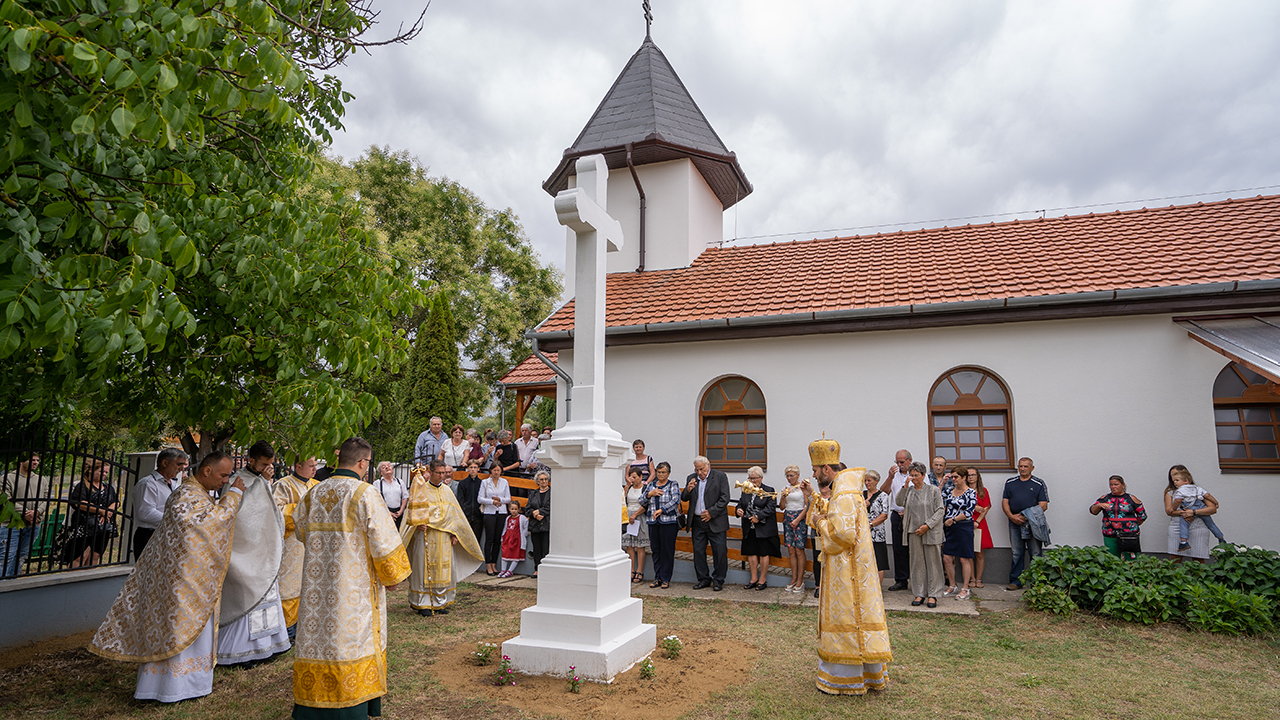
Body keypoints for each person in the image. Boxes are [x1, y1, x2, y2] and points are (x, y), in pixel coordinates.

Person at [88, 452, 245, 703]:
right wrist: (234, 495)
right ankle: (170, 688)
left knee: (187, 630)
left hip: (192, 578)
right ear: (206, 471)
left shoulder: (195, 494)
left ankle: (191, 685)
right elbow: (213, 523)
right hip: (181, 582)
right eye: (223, 475)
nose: (226, 481)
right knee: (175, 630)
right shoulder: (186, 495)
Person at [291, 437, 410, 719]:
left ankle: (311, 709)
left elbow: (299, 530)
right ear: (362, 463)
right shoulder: (365, 493)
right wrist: (392, 576)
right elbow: (383, 541)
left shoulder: (314, 492)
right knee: (352, 641)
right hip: (353, 588)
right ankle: (352, 709)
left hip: (317, 590)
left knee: (318, 641)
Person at [806, 437, 892, 695]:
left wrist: (820, 522)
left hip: (846, 570)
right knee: (858, 617)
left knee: (847, 617)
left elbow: (841, 537)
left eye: (815, 469)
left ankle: (845, 679)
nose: (813, 474)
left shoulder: (843, 494)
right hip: (855, 567)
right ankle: (867, 675)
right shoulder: (850, 491)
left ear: (827, 469)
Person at [216, 440, 290, 666]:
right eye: (265, 464)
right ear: (251, 461)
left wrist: (266, 481)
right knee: (248, 597)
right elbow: (236, 515)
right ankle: (242, 652)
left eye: (271, 464)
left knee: (267, 594)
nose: (269, 467)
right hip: (246, 551)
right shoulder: (239, 481)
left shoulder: (261, 479)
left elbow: (269, 510)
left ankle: (268, 645)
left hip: (264, 551)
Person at [401, 460, 484, 615]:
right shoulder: (421, 489)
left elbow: (454, 515)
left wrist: (455, 533)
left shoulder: (447, 490)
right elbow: (410, 513)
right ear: (430, 472)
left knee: (444, 568)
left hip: (444, 537)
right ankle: (422, 603)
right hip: (425, 535)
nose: (441, 476)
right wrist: (417, 524)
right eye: (438, 473)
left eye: (443, 473)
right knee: (423, 568)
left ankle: (440, 601)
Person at [272, 456, 319, 637]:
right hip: (292, 545)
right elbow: (275, 512)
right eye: (311, 466)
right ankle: (288, 630)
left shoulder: (317, 484)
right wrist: (304, 508)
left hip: (313, 544)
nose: (315, 469)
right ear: (297, 466)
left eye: (315, 465)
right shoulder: (283, 485)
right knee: (289, 584)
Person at [896, 461, 944, 608]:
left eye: (916, 475)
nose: (913, 478)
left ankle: (933, 594)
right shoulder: (909, 491)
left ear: (923, 475)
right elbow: (898, 501)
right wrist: (905, 486)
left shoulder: (933, 490)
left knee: (933, 563)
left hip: (930, 531)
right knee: (917, 563)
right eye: (911, 475)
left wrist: (927, 525)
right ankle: (919, 593)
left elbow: (940, 510)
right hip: (913, 531)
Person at [682, 456, 730, 591]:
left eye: (701, 469)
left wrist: (711, 512)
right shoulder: (691, 478)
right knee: (698, 552)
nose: (699, 472)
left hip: (715, 521)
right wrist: (688, 490)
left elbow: (725, 497)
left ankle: (718, 580)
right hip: (697, 522)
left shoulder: (720, 476)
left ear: (708, 465)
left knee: (719, 551)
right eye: (697, 470)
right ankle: (703, 579)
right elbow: (684, 498)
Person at [131, 448, 188, 561]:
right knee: (148, 574)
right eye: (179, 464)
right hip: (150, 535)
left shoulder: (174, 484)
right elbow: (146, 512)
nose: (182, 469)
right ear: (165, 463)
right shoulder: (148, 484)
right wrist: (176, 520)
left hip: (167, 534)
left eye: (184, 465)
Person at [1002, 457, 1049, 590]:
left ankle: (1036, 582)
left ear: (1032, 468)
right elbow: (1005, 501)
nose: (1022, 469)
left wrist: (1025, 516)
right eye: (1020, 466)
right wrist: (1011, 516)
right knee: (1017, 552)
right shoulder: (1010, 482)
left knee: (1035, 552)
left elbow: (1043, 505)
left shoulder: (1038, 483)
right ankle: (1015, 581)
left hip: (1033, 523)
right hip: (1014, 522)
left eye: (1026, 466)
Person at [64, 459, 119, 568]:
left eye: (106, 472)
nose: (104, 474)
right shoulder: (82, 486)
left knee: (95, 556)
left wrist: (108, 511)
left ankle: (88, 580)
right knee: (80, 556)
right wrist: (101, 510)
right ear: (91, 471)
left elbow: (116, 502)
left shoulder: (108, 488)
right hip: (85, 526)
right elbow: (79, 503)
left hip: (103, 527)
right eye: (101, 471)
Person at [736, 466, 780, 590]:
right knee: (751, 552)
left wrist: (758, 517)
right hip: (749, 527)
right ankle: (753, 578)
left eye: (754, 478)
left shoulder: (769, 490)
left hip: (763, 528)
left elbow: (771, 507)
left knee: (764, 553)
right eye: (750, 478)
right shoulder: (746, 490)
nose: (752, 480)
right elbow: (741, 503)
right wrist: (738, 510)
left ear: (761, 478)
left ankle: (762, 580)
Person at [1164, 465, 1218, 563]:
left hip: (1197, 526)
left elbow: (1212, 509)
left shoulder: (1197, 490)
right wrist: (1184, 513)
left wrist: (1193, 512)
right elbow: (1169, 511)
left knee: (1198, 559)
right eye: (1172, 477)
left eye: (1177, 476)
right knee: (1175, 559)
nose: (1174, 480)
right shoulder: (1170, 493)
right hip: (1177, 527)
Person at [1, 452, 43, 577]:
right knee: (6, 557)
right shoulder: (7, 478)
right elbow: (5, 500)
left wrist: (37, 512)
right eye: (32, 459)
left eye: (37, 460)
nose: (35, 462)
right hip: (10, 524)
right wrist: (25, 512)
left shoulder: (41, 479)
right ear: (21, 461)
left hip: (33, 524)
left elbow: (45, 500)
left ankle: (13, 584)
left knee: (21, 556)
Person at [877, 449, 913, 591]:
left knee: (915, 548)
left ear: (909, 460)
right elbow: (883, 492)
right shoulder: (895, 476)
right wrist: (890, 477)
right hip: (897, 515)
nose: (899, 464)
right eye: (897, 462)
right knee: (898, 548)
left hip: (913, 516)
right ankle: (901, 580)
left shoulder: (918, 473)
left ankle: (917, 580)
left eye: (902, 462)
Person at [642, 461, 680, 589]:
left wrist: (662, 510)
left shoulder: (672, 484)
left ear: (668, 473)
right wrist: (649, 494)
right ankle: (657, 577)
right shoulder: (651, 485)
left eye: (663, 472)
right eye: (658, 472)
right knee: (656, 550)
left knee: (667, 551)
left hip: (668, 522)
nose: (661, 474)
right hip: (653, 523)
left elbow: (675, 500)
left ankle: (665, 578)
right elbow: (641, 500)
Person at [1090, 475, 1147, 559]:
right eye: (1111, 485)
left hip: (1128, 535)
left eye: (1116, 484)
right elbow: (1093, 511)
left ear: (1123, 485)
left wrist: (1132, 525)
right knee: (1112, 560)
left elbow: (1142, 516)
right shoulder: (1105, 498)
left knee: (1131, 560)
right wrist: (1099, 505)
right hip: (1110, 535)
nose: (1113, 487)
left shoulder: (1131, 498)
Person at [940, 465, 976, 600]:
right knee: (947, 558)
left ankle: (965, 588)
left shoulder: (970, 492)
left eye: (956, 477)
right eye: (952, 477)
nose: (954, 479)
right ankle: (952, 585)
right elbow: (938, 497)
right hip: (949, 527)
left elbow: (969, 512)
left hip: (963, 526)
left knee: (964, 558)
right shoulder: (949, 489)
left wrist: (953, 519)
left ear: (964, 477)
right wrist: (943, 482)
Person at [1170, 469, 1225, 549]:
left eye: (1177, 480)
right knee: (1211, 524)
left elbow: (1177, 501)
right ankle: (1221, 538)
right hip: (1201, 508)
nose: (1175, 482)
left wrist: (1173, 509)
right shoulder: (1197, 488)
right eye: (1174, 481)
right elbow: (1207, 495)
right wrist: (1215, 502)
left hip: (1189, 508)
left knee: (1184, 523)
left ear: (1186, 481)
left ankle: (1184, 541)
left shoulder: (1180, 490)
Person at [779, 464, 812, 592]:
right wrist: (782, 496)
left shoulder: (802, 487)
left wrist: (798, 519)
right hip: (788, 516)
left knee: (799, 549)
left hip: (800, 517)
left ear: (798, 475)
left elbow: (807, 505)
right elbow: (782, 507)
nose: (789, 478)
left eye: (791, 475)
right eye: (787, 476)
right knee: (791, 549)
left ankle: (800, 579)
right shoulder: (786, 488)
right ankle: (793, 578)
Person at [478, 464, 511, 576]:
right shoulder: (485, 482)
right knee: (489, 539)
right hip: (489, 512)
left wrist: (499, 499)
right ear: (491, 470)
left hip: (501, 512)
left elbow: (508, 498)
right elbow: (480, 498)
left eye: (498, 470)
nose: (496, 472)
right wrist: (492, 502)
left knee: (497, 539)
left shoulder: (504, 482)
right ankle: (488, 564)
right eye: (494, 470)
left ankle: (494, 564)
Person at [622, 467, 650, 583]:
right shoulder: (628, 488)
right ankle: (631, 570)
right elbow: (623, 500)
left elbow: (646, 504)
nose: (633, 479)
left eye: (635, 477)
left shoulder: (645, 489)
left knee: (640, 546)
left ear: (640, 477)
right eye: (631, 477)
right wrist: (628, 485)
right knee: (629, 545)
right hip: (628, 517)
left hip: (639, 517)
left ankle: (639, 570)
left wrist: (635, 515)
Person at [524, 470, 552, 576]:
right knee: (536, 548)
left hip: (546, 524)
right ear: (537, 481)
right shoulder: (533, 494)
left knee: (545, 548)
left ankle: (545, 570)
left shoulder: (552, 493)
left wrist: (539, 511)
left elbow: (551, 507)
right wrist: (534, 514)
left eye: (545, 479)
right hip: (535, 525)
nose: (544, 481)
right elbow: (527, 509)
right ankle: (537, 569)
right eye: (541, 479)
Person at [863, 470, 889, 582]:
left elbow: (884, 515)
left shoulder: (883, 496)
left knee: (879, 561)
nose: (867, 483)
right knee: (864, 561)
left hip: (877, 534)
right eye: (865, 480)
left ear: (876, 481)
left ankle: (878, 588)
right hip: (863, 534)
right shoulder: (861, 495)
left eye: (869, 480)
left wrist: (870, 524)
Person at [809, 476, 833, 598]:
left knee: (831, 559)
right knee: (817, 559)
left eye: (824, 485)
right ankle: (818, 585)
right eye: (820, 485)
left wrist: (823, 517)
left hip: (830, 532)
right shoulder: (816, 497)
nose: (822, 488)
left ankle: (830, 585)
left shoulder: (834, 498)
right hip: (817, 532)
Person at [970, 468, 993, 587]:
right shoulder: (963, 491)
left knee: (979, 553)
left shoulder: (983, 491)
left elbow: (986, 508)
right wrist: (973, 507)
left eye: (973, 475)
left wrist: (978, 521)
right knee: (968, 553)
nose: (970, 477)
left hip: (979, 523)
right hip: (966, 522)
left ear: (977, 476)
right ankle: (971, 579)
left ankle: (979, 579)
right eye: (968, 475)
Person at [455, 460, 485, 543]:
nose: (473, 469)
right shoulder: (462, 483)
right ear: (467, 468)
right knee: (465, 541)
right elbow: (460, 500)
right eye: (471, 467)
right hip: (466, 517)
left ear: (478, 469)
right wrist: (465, 510)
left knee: (476, 541)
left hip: (478, 517)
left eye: (475, 467)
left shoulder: (482, 483)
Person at [371, 461, 407, 528]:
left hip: (399, 513)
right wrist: (388, 513)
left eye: (389, 465)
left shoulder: (400, 482)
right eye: (383, 467)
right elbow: (375, 500)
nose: (387, 467)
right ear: (381, 473)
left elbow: (405, 497)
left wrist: (401, 510)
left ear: (392, 470)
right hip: (384, 514)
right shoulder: (377, 483)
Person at [498, 500, 528, 577]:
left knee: (515, 555)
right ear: (509, 509)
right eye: (512, 509)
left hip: (517, 540)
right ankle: (503, 570)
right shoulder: (508, 518)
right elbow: (505, 529)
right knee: (505, 554)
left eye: (515, 509)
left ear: (519, 509)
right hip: (508, 539)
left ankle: (510, 571)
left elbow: (525, 528)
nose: (514, 511)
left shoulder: (522, 518)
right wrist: (502, 538)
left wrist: (523, 536)